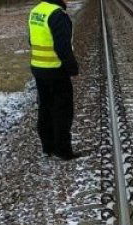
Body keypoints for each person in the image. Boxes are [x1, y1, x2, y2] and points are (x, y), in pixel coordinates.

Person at [28, 0, 81, 160]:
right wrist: (72, 68)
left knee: (45, 107)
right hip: (56, 69)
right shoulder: (58, 15)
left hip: (38, 68)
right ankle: (63, 151)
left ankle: (48, 147)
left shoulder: (36, 11)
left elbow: (31, 40)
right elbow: (62, 47)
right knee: (62, 110)